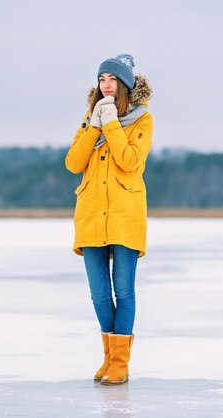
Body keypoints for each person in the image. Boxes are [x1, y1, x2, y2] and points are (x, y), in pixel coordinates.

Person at [64, 53, 153, 385]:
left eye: (112, 79)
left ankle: (120, 364)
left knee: (124, 291)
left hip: (124, 215)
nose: (106, 85)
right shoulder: (90, 117)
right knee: (99, 294)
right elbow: (74, 163)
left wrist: (112, 123)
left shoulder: (143, 120)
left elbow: (130, 161)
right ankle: (109, 358)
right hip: (90, 214)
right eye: (102, 79)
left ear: (125, 85)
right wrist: (96, 124)